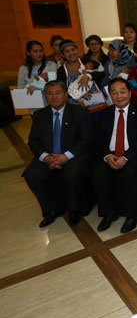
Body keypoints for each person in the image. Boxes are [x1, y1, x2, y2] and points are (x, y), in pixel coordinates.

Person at [23, 81, 94, 227]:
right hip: (49, 156)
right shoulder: (39, 115)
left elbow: (87, 139)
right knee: (32, 174)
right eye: (49, 93)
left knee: (72, 172)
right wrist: (46, 157)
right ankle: (51, 209)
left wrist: (65, 156)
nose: (54, 97)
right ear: (45, 96)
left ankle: (74, 209)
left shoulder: (79, 112)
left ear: (66, 95)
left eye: (58, 93)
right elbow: (33, 140)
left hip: (73, 154)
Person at [93, 78, 137, 233]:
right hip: (111, 153)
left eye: (122, 91)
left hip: (133, 153)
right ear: (110, 95)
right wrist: (107, 156)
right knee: (99, 173)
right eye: (114, 92)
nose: (119, 96)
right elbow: (98, 139)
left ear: (130, 93)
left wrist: (125, 157)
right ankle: (108, 213)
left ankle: (133, 215)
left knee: (130, 172)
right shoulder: (104, 113)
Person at [56, 39, 103, 106]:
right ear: (62, 54)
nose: (71, 53)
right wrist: (80, 95)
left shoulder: (85, 61)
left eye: (73, 49)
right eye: (67, 51)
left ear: (77, 50)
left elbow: (101, 73)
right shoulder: (61, 70)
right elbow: (62, 89)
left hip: (96, 101)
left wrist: (87, 76)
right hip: (76, 106)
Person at [18, 40, 58, 113]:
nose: (39, 54)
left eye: (41, 51)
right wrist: (28, 88)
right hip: (34, 107)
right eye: (35, 51)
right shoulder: (23, 69)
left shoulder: (51, 65)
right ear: (28, 53)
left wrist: (37, 86)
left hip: (51, 104)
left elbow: (54, 83)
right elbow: (20, 89)